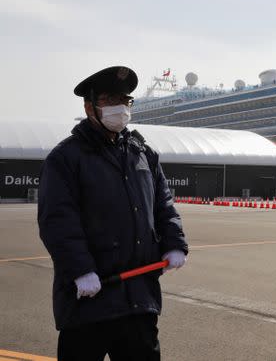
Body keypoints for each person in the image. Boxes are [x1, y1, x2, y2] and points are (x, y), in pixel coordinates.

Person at [38, 66, 189, 361]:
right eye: (109, 99)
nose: (119, 107)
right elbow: (57, 221)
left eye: (125, 100)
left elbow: (163, 204)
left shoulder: (143, 153)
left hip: (139, 299)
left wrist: (174, 243)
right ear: (89, 106)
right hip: (89, 299)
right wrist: (80, 269)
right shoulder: (66, 158)